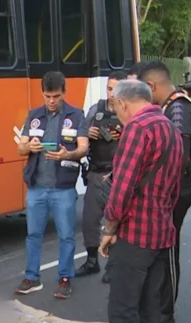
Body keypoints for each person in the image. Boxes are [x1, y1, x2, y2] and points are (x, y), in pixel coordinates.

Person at [79, 79, 184, 323]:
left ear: (124, 104)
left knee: (123, 311)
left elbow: (122, 190)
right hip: (160, 231)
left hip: (135, 234)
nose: (116, 115)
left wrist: (109, 228)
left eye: (115, 107)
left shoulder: (137, 129)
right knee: (148, 309)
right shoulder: (167, 124)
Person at [136, 61, 191, 323]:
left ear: (151, 86)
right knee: (159, 251)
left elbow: (178, 156)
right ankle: (157, 307)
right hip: (169, 189)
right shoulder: (170, 106)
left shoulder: (177, 107)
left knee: (168, 251)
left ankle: (166, 314)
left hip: (176, 189)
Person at [14, 71, 90, 299]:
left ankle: (65, 278)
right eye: (47, 96)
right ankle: (31, 277)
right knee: (33, 235)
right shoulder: (34, 115)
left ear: (64, 93)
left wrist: (70, 153)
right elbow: (21, 147)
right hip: (37, 186)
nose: (51, 101)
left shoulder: (76, 115)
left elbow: (84, 147)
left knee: (66, 235)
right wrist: (30, 147)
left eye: (56, 96)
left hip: (63, 187)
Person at [75, 70, 127, 283]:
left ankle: (114, 265)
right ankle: (92, 261)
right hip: (96, 171)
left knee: (117, 223)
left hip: (118, 174)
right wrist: (88, 133)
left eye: (116, 89)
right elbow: (81, 134)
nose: (112, 93)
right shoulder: (96, 109)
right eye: (109, 88)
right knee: (89, 221)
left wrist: (122, 134)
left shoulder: (128, 111)